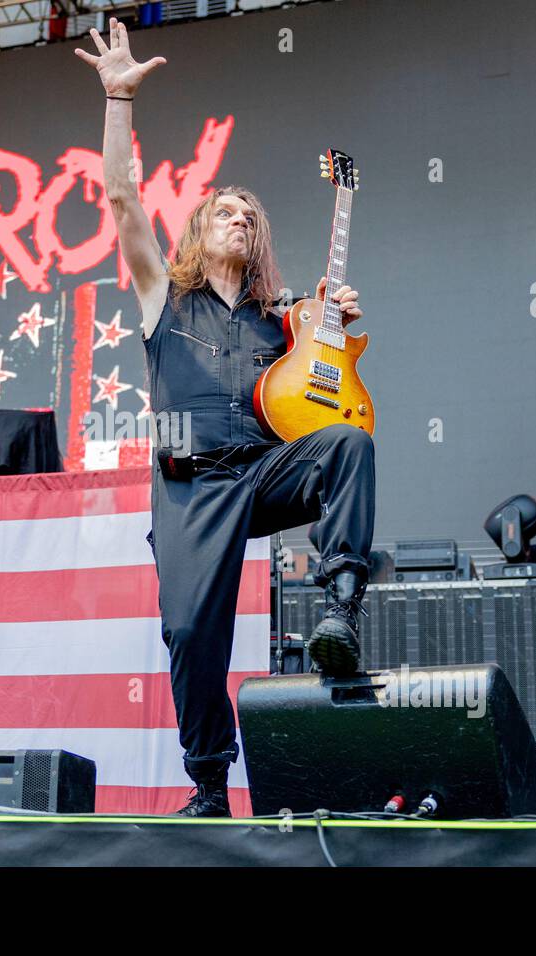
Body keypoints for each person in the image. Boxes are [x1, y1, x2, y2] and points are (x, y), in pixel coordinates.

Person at [77, 18, 376, 817]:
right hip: (190, 493)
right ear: (200, 233)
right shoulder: (161, 299)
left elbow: (327, 387)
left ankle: (340, 605)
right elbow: (119, 198)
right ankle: (209, 782)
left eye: (250, 213)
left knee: (346, 444)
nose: (239, 218)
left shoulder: (282, 319)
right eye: (225, 212)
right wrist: (117, 99)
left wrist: (335, 319)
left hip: (262, 476)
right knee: (188, 637)